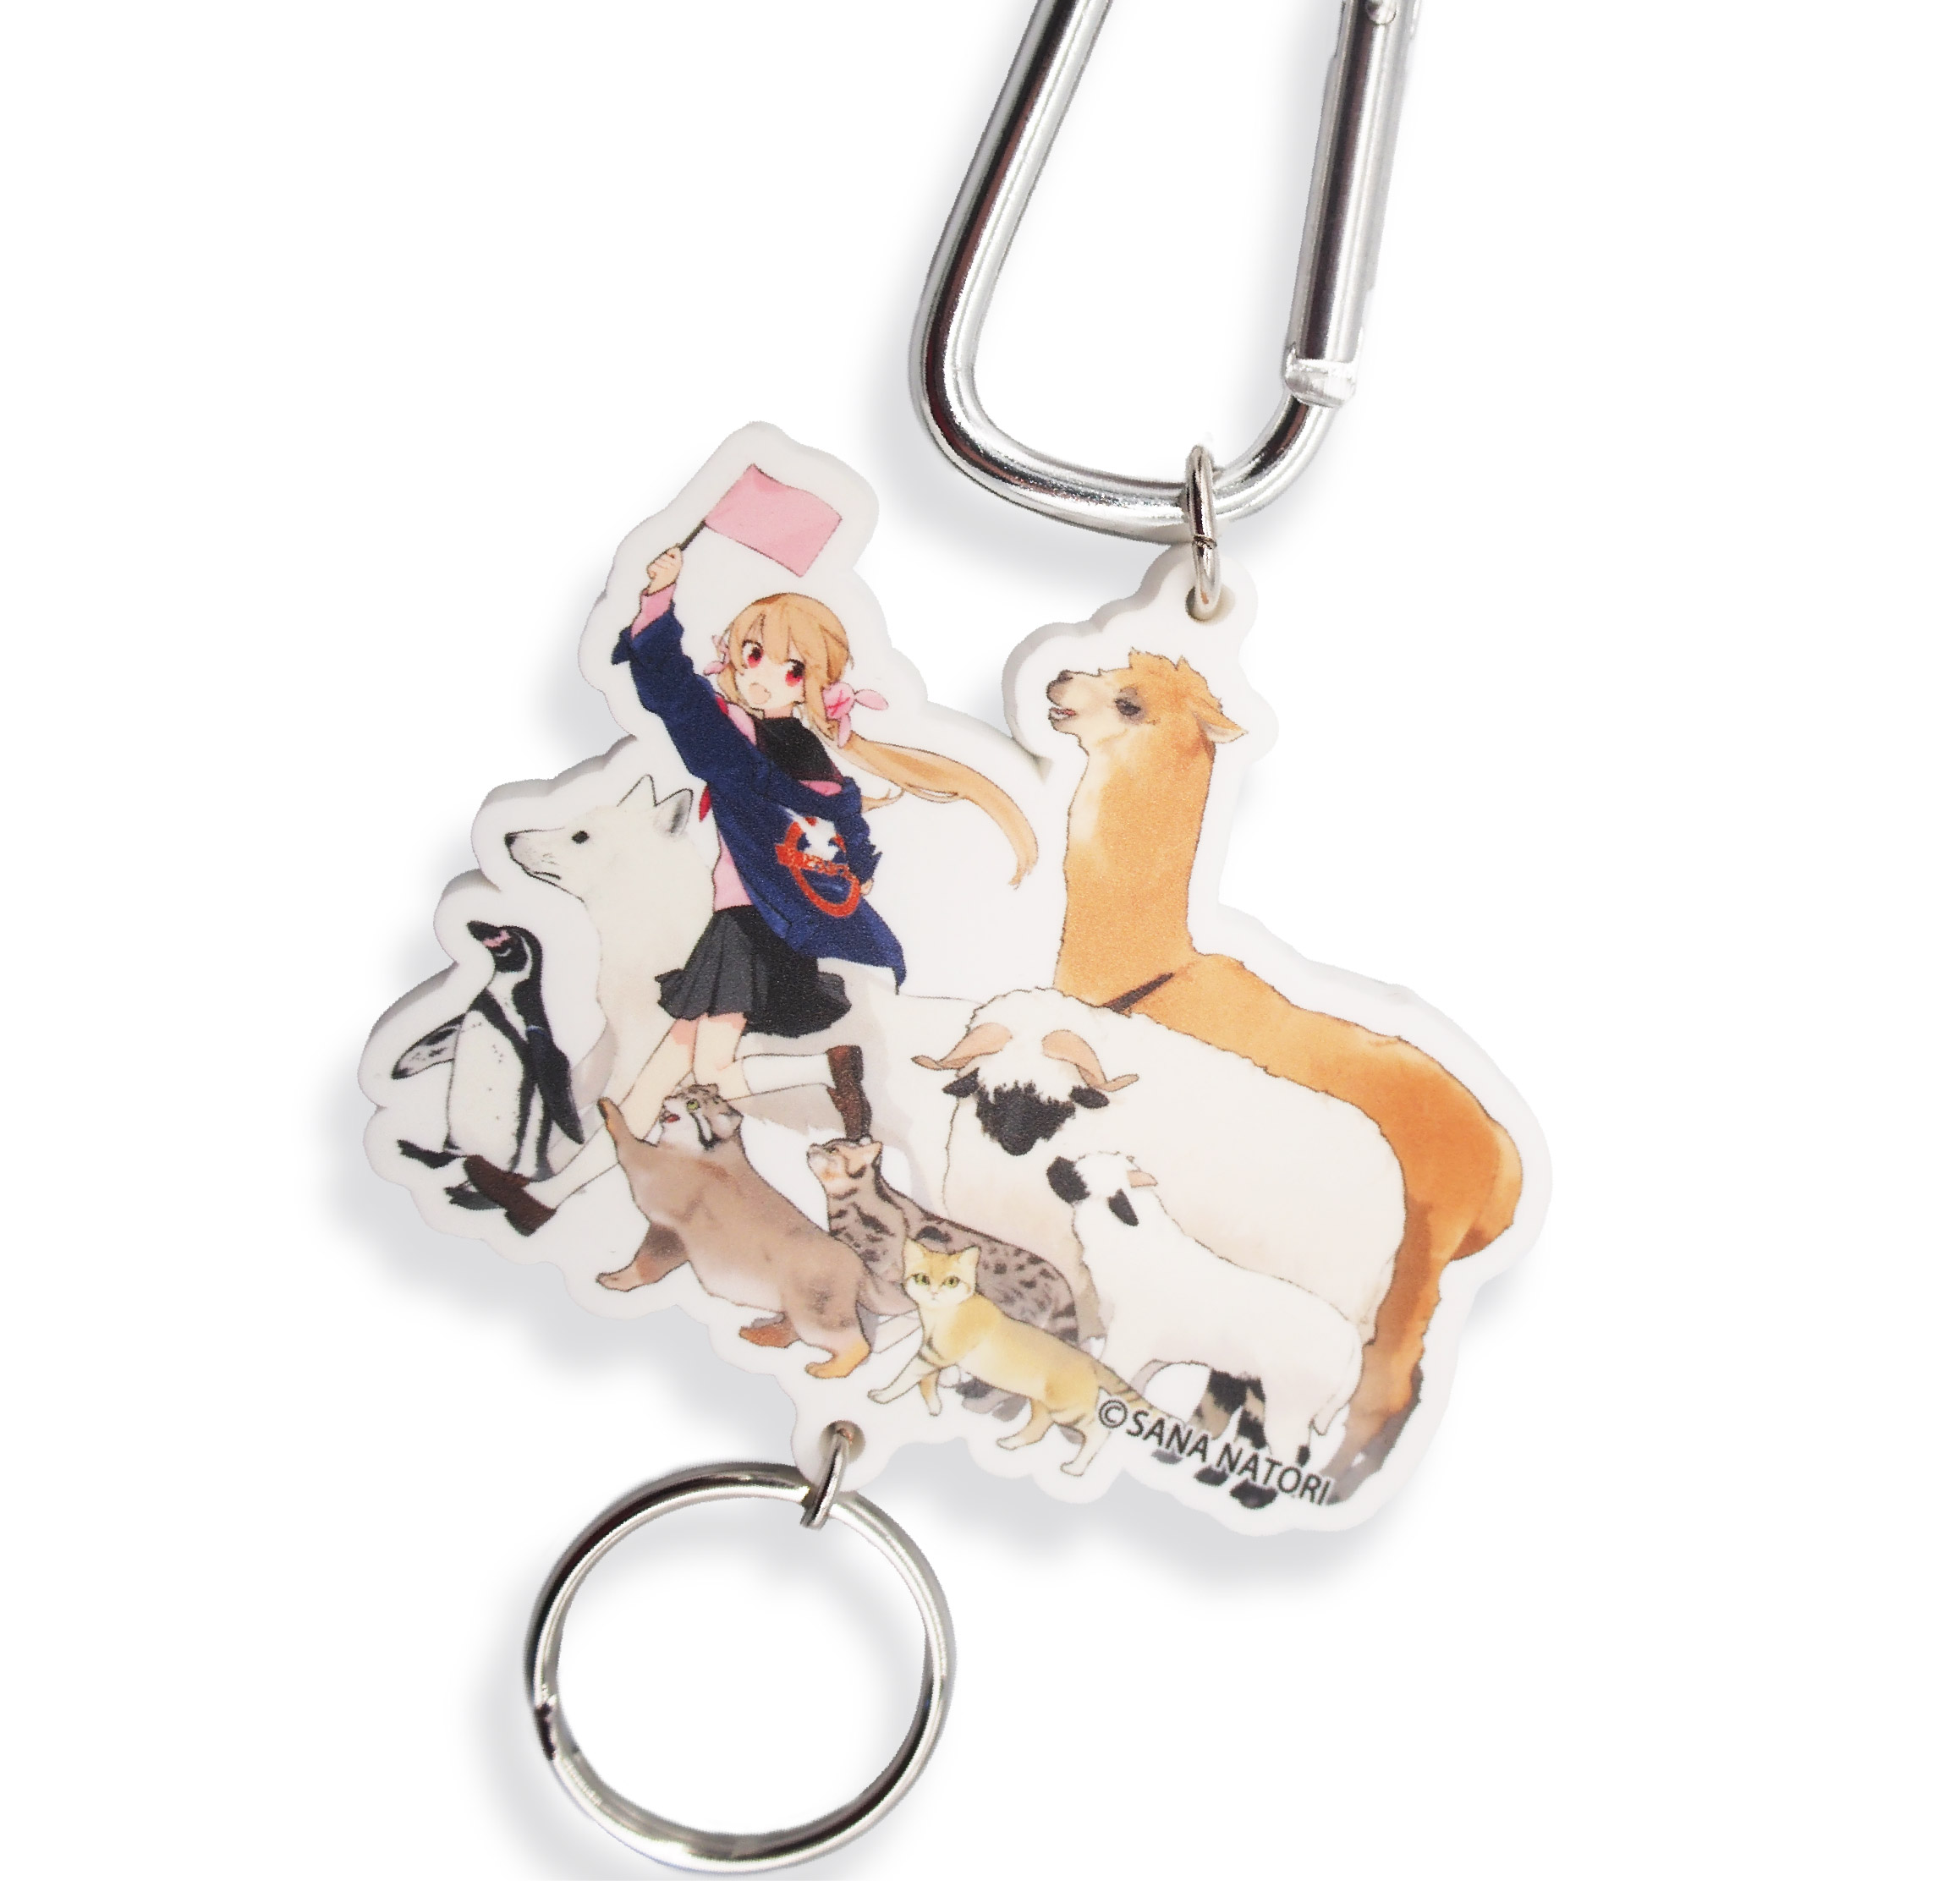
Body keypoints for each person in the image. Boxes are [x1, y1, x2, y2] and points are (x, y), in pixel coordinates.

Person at [466, 546, 1036, 1233]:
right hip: (750, 924)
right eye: (752, 655)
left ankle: (827, 1076)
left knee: (707, 1070)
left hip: (753, 929)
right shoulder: (795, 754)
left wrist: (657, 604)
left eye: (789, 668)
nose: (762, 676)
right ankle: (548, 1199)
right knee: (662, 1074)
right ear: (733, 656)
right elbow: (848, 842)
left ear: (813, 683)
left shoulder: (757, 752)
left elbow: (680, 701)